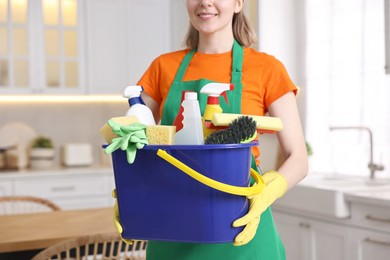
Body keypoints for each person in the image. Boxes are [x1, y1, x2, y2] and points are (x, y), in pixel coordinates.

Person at [136, 0, 308, 259]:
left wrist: (268, 191)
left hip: (241, 225)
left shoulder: (266, 69)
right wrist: (132, 195)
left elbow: (298, 157)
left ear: (239, 3)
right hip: (173, 224)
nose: (206, 2)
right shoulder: (163, 67)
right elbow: (134, 136)